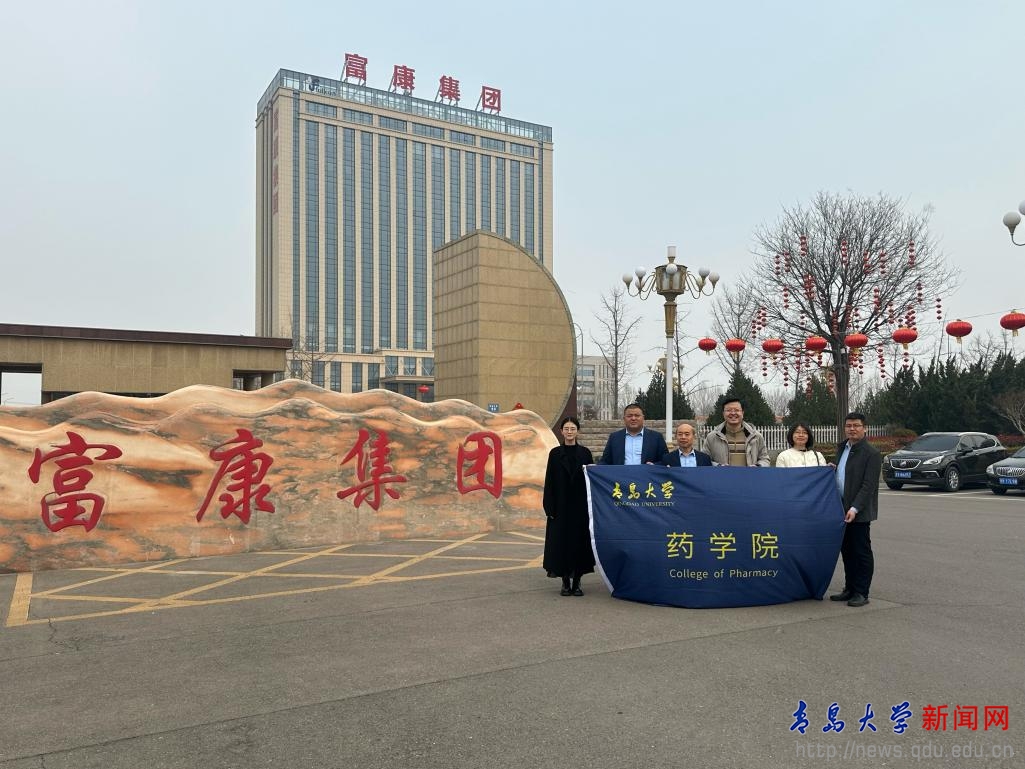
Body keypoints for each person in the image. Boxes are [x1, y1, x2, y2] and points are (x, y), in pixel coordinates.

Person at [830, 412, 882, 608]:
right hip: (840, 509)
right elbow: (843, 474)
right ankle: (850, 588)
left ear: (864, 428)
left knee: (861, 552)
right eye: (849, 426)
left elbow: (869, 486)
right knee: (847, 551)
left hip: (858, 512)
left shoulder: (871, 453)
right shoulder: (842, 448)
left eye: (856, 425)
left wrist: (855, 507)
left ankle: (861, 591)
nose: (852, 429)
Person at [542, 416, 595, 596]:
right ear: (561, 431)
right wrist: (549, 507)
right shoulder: (555, 454)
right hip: (560, 506)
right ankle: (565, 581)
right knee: (561, 544)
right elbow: (549, 481)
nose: (570, 432)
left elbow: (591, 480)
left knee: (579, 544)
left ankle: (577, 581)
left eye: (573, 428)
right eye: (566, 429)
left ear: (577, 431)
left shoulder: (585, 453)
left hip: (580, 506)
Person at [704, 397, 771, 467]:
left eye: (737, 410)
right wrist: (718, 466)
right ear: (723, 413)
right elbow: (704, 460)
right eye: (729, 410)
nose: (733, 413)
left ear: (742, 413)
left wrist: (758, 466)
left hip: (750, 474)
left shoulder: (756, 436)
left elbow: (765, 459)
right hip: (721, 474)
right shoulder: (712, 437)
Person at [598, 403, 668, 465]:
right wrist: (595, 468)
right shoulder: (614, 437)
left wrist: (654, 465)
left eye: (637, 415)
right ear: (624, 418)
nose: (633, 418)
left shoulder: (656, 437)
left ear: (643, 418)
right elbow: (605, 461)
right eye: (629, 416)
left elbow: (665, 462)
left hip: (647, 475)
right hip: (621, 475)